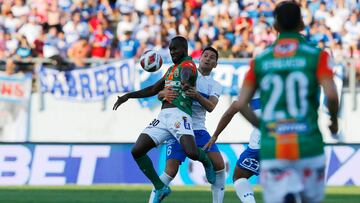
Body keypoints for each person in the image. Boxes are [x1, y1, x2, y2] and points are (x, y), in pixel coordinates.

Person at [235, 1, 339, 202]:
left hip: (275, 146)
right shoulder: (318, 56)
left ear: (275, 26)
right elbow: (332, 96)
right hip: (309, 144)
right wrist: (334, 122)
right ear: (301, 24)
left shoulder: (261, 60)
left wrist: (265, 127)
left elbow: (241, 104)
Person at [113, 36, 216, 203]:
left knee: (191, 152)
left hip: (179, 114)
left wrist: (184, 81)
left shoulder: (188, 65)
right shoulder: (170, 70)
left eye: (175, 49)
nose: (172, 52)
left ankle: (206, 162)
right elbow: (154, 89)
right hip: (163, 117)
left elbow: (187, 74)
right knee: (137, 150)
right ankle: (161, 187)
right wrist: (128, 96)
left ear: (184, 49)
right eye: (170, 50)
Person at [148, 46, 226, 203]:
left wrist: (196, 95)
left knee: (219, 165)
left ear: (215, 64)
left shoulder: (215, 85)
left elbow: (211, 107)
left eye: (212, 57)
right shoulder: (187, 72)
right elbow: (161, 93)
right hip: (178, 127)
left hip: (198, 129)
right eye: (205, 55)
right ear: (199, 58)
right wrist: (162, 93)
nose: (208, 58)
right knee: (170, 171)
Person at [204, 97, 261, 203]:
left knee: (239, 177)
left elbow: (232, 109)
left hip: (260, 144)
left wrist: (216, 135)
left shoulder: (254, 90)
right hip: (289, 141)